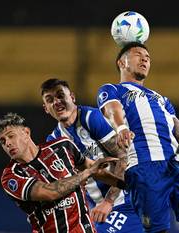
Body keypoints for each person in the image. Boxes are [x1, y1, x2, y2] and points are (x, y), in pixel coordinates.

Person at [96, 42, 179, 233]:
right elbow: (112, 110)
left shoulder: (161, 98)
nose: (144, 59)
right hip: (144, 168)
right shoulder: (112, 89)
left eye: (148, 58)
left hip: (177, 165)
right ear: (121, 63)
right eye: (138, 54)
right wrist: (121, 127)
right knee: (157, 230)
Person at [40, 78, 143, 233]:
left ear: (72, 97)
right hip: (96, 211)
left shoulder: (90, 118)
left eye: (61, 95)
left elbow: (124, 157)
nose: (57, 102)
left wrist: (108, 201)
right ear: (46, 108)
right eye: (50, 100)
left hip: (125, 201)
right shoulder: (53, 141)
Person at [0, 112, 124, 233]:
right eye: (3, 141)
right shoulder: (11, 176)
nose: (8, 143)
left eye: (11, 136)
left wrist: (128, 184)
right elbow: (48, 192)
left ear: (26, 132)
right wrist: (86, 173)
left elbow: (95, 169)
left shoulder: (62, 146)